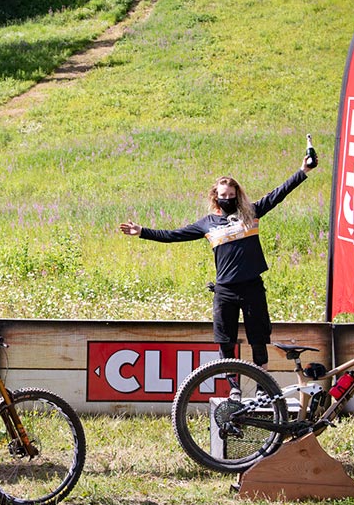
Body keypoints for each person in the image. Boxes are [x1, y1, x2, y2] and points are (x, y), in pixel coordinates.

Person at [119, 154, 316, 368]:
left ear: (237, 195)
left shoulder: (251, 213)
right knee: (225, 342)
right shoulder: (207, 224)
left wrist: (303, 170)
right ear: (216, 197)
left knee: (258, 340)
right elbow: (174, 235)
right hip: (225, 291)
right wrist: (142, 232)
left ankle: (263, 388)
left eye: (232, 195)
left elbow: (279, 193)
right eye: (224, 195)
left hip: (252, 287)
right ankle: (234, 391)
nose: (228, 198)